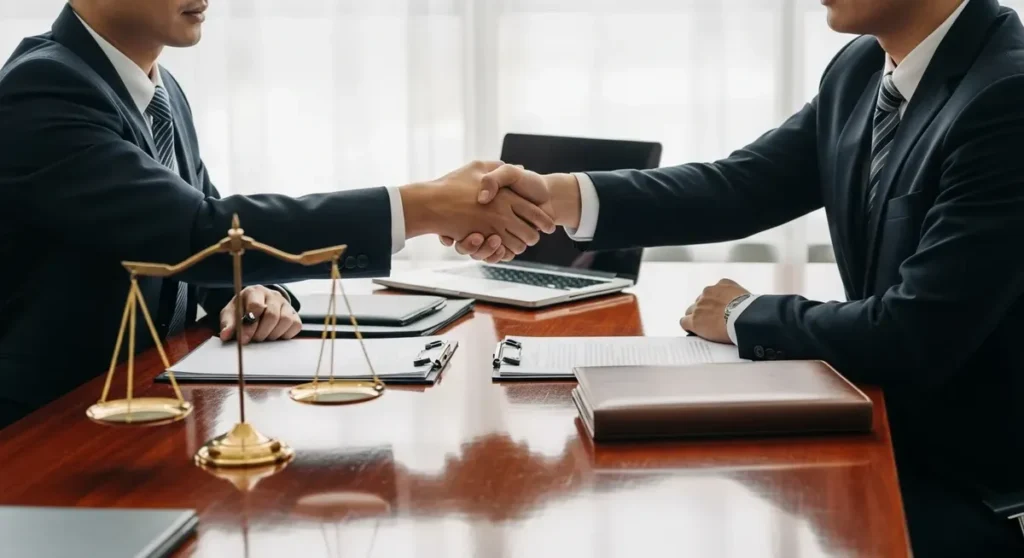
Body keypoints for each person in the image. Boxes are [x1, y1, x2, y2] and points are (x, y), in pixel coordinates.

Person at [455, 0, 1024, 554]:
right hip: (880, 426)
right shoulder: (859, 70)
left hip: (967, 482)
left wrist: (740, 314)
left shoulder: (1006, 95)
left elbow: (910, 334)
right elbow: (741, 186)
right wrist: (556, 198)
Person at [0, 0, 553, 427]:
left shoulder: (156, 88)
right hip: (46, 432)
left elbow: (193, 235)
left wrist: (254, 293)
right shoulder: (43, 88)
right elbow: (196, 235)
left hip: (144, 408)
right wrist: (424, 206)